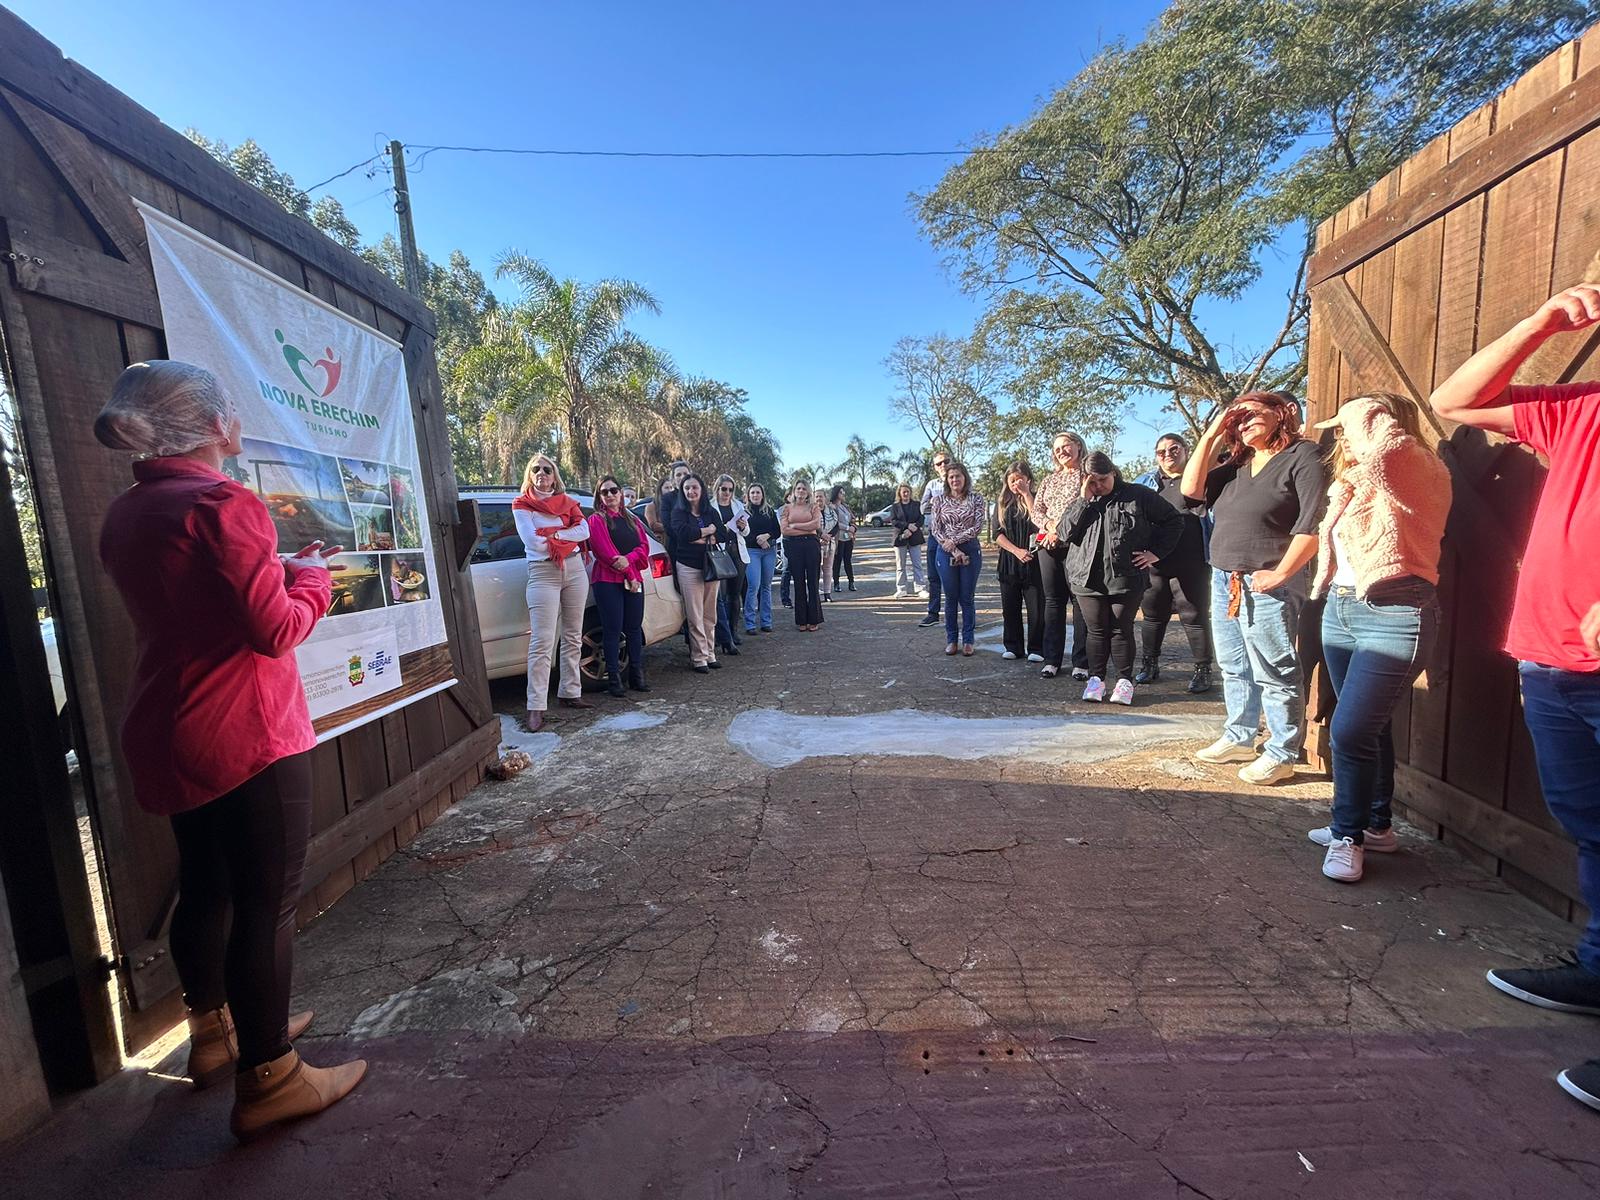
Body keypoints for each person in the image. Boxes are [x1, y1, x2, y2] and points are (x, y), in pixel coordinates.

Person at [94, 360, 364, 1140]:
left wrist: (278, 569)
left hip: (168, 725)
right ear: (215, 426)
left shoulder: (128, 511)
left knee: (205, 887)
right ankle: (271, 1074)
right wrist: (311, 577)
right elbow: (273, 628)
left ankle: (214, 1036)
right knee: (266, 902)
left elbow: (199, 597)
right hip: (246, 730)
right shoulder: (224, 501)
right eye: (234, 413)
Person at [1429, 283, 1600, 1113]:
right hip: (1551, 659)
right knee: (1589, 822)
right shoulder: (1580, 409)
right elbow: (1453, 401)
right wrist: (1540, 320)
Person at [1302, 394, 1450, 883]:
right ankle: (1377, 824)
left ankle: (1348, 836)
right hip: (1342, 609)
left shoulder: (1418, 469)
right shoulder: (1355, 480)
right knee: (1368, 725)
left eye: (1350, 426)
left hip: (1397, 611)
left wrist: (1366, 413)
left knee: (1348, 730)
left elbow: (1388, 451)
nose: (1342, 436)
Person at [1182, 390, 1327, 785]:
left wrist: (1280, 574)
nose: (1242, 424)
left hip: (1268, 581)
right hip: (1224, 577)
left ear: (1284, 413)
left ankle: (1281, 751)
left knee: (1274, 668)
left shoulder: (1304, 457)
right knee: (1233, 665)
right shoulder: (1238, 463)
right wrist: (1212, 434)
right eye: (1237, 419)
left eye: (1251, 415)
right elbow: (1190, 491)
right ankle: (1240, 736)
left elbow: (1312, 524)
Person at [1059, 452, 1184, 704]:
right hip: (1086, 578)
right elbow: (1064, 533)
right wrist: (1084, 500)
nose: (1098, 486)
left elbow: (1174, 521)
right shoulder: (1083, 500)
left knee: (1120, 630)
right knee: (1095, 631)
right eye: (1092, 481)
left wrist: (1155, 553)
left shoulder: (1138, 495)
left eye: (1103, 479)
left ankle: (1124, 682)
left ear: (1113, 473)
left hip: (1125, 576)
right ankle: (1096, 680)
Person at [514, 453, 592, 731]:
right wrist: (564, 533)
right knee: (542, 642)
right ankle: (535, 706)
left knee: (573, 635)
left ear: (555, 475)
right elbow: (532, 543)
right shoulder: (522, 505)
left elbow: (583, 531)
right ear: (530, 473)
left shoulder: (568, 502)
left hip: (574, 569)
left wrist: (555, 535)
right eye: (536, 468)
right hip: (543, 572)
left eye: (547, 469)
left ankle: (570, 692)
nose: (542, 473)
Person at [1134, 433, 1215, 693]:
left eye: (1174, 449)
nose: (1168, 455)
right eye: (1161, 452)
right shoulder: (1146, 483)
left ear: (1186, 450)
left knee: (1193, 615)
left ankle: (1203, 670)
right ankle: (1149, 665)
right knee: (1153, 616)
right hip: (1155, 562)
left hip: (1191, 560)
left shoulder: (1200, 480)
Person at [1031, 432, 1092, 680]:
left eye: (1065, 446)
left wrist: (1062, 529)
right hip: (1049, 547)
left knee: (1080, 603)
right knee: (1053, 602)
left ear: (1078, 446)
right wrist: (1049, 526)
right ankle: (1052, 659)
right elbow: (1037, 511)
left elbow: (1088, 507)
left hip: (1077, 546)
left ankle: (1081, 662)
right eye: (1056, 449)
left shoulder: (1087, 477)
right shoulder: (1049, 480)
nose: (1061, 451)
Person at [587, 475, 653, 697]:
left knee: (634, 629)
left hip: (633, 579)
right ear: (599, 496)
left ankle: (636, 674)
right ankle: (614, 679)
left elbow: (644, 547)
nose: (610, 495)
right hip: (607, 581)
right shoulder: (597, 520)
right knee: (612, 629)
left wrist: (631, 560)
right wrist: (629, 572)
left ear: (620, 493)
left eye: (613, 490)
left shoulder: (632, 519)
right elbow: (605, 552)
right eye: (604, 492)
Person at [668, 473, 727, 673]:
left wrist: (704, 535)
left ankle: (710, 653)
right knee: (695, 614)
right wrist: (706, 532)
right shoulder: (678, 512)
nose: (691, 491)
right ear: (683, 492)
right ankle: (698, 657)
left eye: (694, 487)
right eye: (687, 488)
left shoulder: (711, 512)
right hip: (688, 567)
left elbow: (722, 534)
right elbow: (682, 535)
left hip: (711, 567)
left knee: (710, 614)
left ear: (701, 490)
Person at [932, 461, 985, 656]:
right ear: (947, 479)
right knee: (951, 597)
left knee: (967, 597)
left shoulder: (976, 498)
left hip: (970, 549)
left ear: (965, 478)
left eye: (958, 476)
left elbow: (977, 526)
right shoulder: (938, 500)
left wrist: (954, 541)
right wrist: (952, 548)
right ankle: (952, 639)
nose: (955, 479)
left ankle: (968, 640)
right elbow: (935, 528)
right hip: (945, 552)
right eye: (951, 476)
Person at [992, 462, 1043, 662]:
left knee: (1037, 609)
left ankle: (1037, 648)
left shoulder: (1037, 498)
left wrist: (1027, 494)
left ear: (1028, 479)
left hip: (1034, 560)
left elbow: (1040, 522)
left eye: (1019, 480)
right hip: (1009, 561)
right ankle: (1013, 646)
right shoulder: (1002, 503)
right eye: (1012, 480)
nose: (1015, 484)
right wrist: (1016, 551)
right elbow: (997, 533)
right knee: (1010, 607)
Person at [711, 473, 750, 655]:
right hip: (720, 553)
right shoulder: (710, 507)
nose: (727, 493)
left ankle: (733, 632)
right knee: (720, 596)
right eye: (724, 489)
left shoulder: (738, 506)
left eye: (730, 489)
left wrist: (742, 526)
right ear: (717, 488)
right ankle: (721, 635)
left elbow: (747, 532)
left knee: (735, 595)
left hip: (738, 553)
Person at [780, 479, 824, 630]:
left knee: (812, 582)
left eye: (804, 489)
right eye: (798, 488)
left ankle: (814, 619)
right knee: (798, 583)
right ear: (794, 491)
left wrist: (796, 525)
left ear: (808, 492)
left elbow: (816, 525)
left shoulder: (814, 507)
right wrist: (806, 528)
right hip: (794, 546)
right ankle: (801, 620)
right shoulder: (787, 508)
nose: (801, 491)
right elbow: (785, 530)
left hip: (811, 545)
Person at [917, 450, 949, 628]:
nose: (943, 465)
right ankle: (933, 613)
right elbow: (922, 508)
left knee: (955, 576)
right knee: (933, 576)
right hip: (935, 535)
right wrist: (934, 504)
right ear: (935, 467)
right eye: (939, 463)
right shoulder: (932, 484)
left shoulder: (958, 480)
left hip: (954, 536)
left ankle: (958, 613)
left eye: (945, 461)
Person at [743, 482, 780, 634]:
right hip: (752, 551)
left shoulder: (769, 511)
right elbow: (741, 532)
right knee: (753, 585)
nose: (755, 495)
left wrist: (767, 536)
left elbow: (776, 531)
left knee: (766, 586)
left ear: (762, 494)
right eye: (752, 493)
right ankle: (750, 623)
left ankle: (766, 621)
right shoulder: (744, 512)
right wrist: (758, 539)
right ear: (748, 495)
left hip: (769, 552)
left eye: (758, 492)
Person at [890, 483, 928, 598]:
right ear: (900, 493)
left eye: (908, 491)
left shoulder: (917, 505)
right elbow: (894, 521)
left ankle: (921, 588)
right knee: (900, 565)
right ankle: (901, 589)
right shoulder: (895, 507)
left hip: (915, 537)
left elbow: (921, 518)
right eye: (903, 492)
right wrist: (906, 526)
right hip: (900, 538)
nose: (906, 493)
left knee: (917, 564)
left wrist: (913, 528)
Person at [829, 485, 857, 592]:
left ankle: (851, 582)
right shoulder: (832, 507)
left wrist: (853, 527)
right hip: (838, 538)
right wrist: (847, 528)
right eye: (841, 492)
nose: (843, 494)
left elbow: (852, 519)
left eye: (843, 492)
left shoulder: (845, 507)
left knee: (848, 561)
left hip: (848, 538)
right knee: (837, 561)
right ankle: (836, 583)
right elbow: (834, 522)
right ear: (836, 493)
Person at [818, 487, 838, 603]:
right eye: (817, 496)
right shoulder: (811, 511)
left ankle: (827, 593)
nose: (819, 498)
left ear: (825, 498)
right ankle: (816, 593)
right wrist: (820, 536)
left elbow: (836, 526)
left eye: (821, 496)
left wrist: (827, 537)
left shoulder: (831, 512)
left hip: (830, 543)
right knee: (816, 570)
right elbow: (811, 526)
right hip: (816, 543)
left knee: (828, 569)